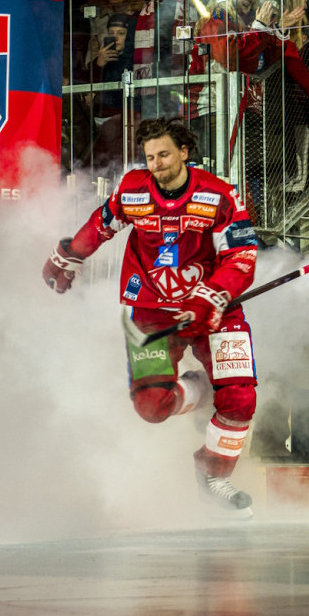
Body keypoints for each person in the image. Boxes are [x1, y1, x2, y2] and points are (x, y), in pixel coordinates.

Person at [40, 119, 263, 516]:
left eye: (163, 154)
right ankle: (202, 389)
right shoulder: (133, 189)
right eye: (149, 157)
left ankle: (213, 476)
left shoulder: (220, 195)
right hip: (149, 310)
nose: (156, 164)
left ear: (184, 152)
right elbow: (101, 225)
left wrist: (211, 296)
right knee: (151, 407)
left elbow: (242, 258)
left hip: (215, 309)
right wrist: (69, 255)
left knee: (241, 398)